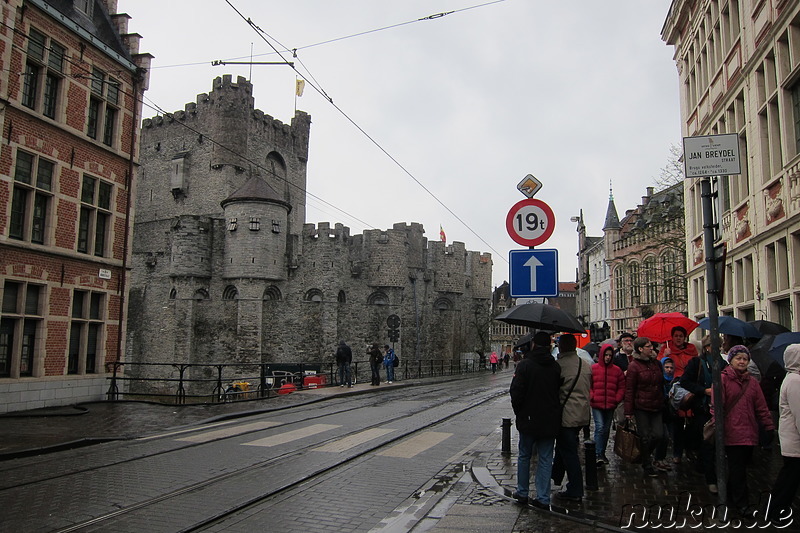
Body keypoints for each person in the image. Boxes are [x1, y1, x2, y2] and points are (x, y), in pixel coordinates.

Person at [711, 345, 774, 516]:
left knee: (740, 466)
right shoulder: (722, 379)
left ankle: (732, 497)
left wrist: (768, 426)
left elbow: (761, 406)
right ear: (730, 360)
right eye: (738, 358)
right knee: (738, 468)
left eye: (745, 359)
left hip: (749, 431)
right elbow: (717, 406)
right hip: (731, 431)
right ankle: (742, 503)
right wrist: (718, 426)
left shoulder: (752, 382)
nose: (742, 361)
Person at [510, 331, 562, 508]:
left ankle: (523, 492)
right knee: (546, 458)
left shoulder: (524, 365)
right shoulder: (555, 367)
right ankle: (543, 497)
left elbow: (516, 393)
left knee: (524, 455)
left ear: (533, 345)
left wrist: (521, 412)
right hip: (549, 419)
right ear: (549, 346)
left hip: (529, 419)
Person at [681, 334, 726, 494]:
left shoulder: (723, 364)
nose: (718, 349)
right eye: (714, 346)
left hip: (720, 409)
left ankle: (703, 465)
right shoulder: (696, 363)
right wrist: (702, 390)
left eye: (719, 346)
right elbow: (685, 381)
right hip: (702, 408)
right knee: (707, 441)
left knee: (712, 443)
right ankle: (710, 478)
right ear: (707, 348)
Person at [552, 333, 592, 502]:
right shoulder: (586, 364)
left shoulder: (559, 366)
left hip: (566, 414)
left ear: (561, 346)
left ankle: (575, 488)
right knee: (565, 446)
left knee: (569, 452)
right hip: (582, 414)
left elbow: (554, 391)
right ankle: (557, 475)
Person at [625, 336, 666, 477]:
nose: (651, 348)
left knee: (659, 434)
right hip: (641, 405)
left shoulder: (656, 363)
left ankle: (644, 455)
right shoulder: (634, 366)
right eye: (648, 346)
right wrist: (628, 411)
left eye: (651, 346)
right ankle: (647, 464)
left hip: (656, 404)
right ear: (640, 349)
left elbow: (661, 383)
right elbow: (629, 389)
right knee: (645, 436)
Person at [769, 344, 800, 524]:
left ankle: (775, 510)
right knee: (788, 480)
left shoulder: (792, 377)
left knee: (788, 478)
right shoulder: (795, 380)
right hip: (795, 440)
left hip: (791, 439)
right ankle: (776, 512)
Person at [590, 343, 625, 466]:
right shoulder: (593, 369)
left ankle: (602, 452)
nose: (608, 357)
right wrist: (592, 395)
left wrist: (617, 398)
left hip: (610, 403)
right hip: (597, 403)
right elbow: (588, 385)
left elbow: (621, 386)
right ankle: (598, 454)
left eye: (610, 355)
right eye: (606, 355)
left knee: (605, 430)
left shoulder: (616, 370)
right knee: (599, 427)